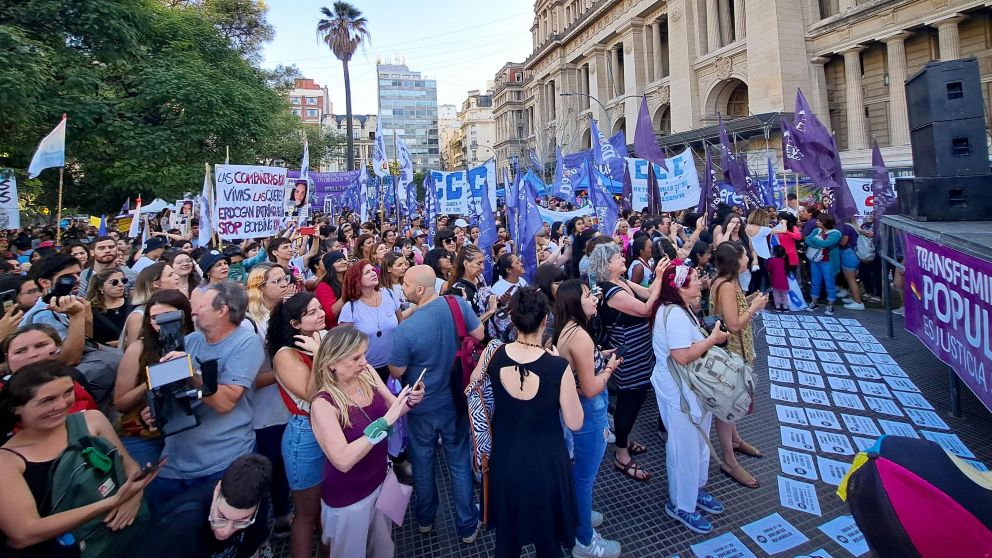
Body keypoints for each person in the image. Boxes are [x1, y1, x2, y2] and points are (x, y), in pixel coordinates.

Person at [0, 361, 154, 556]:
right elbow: (24, 533)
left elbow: (128, 465)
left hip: (132, 529)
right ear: (16, 408)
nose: (62, 404)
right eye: (48, 400)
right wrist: (113, 502)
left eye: (67, 393)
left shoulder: (92, 420)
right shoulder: (7, 461)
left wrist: (134, 497)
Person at [472, 287, 582, 558]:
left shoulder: (494, 355)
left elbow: (473, 387)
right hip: (546, 462)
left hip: (505, 458)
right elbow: (575, 422)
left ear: (512, 319)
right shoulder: (557, 367)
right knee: (549, 542)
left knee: (507, 541)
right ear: (545, 320)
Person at [143, 281, 265, 513]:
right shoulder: (191, 341)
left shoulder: (246, 343)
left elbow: (225, 402)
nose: (194, 312)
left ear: (223, 310)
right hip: (174, 464)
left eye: (201, 306)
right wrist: (157, 409)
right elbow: (174, 392)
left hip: (222, 461)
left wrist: (190, 371)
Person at [311, 326, 424, 558]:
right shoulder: (323, 404)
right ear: (332, 363)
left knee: (384, 549)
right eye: (356, 357)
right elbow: (342, 460)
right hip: (349, 498)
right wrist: (384, 422)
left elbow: (395, 408)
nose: (364, 361)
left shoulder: (368, 373)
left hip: (381, 481)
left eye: (364, 354)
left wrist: (411, 401)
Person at [389, 265, 483, 543]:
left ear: (420, 289)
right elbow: (478, 335)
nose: (402, 290)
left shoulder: (407, 328)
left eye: (405, 285)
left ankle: (425, 519)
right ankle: (467, 524)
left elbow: (395, 371)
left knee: (423, 461)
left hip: (422, 407)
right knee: (458, 461)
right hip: (455, 399)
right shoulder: (458, 305)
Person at [651, 261, 730, 534]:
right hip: (679, 391)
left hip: (693, 388)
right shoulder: (672, 315)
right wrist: (713, 340)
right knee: (684, 448)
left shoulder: (682, 309)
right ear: (680, 289)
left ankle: (695, 491)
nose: (700, 282)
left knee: (699, 442)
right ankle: (681, 504)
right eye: (695, 279)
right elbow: (682, 356)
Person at [552, 280, 622, 558]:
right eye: (586, 295)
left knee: (579, 474)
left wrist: (598, 358)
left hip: (579, 407)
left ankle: (578, 516)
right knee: (583, 478)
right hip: (589, 410)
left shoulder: (568, 329)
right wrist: (609, 368)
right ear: (573, 302)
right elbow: (592, 387)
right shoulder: (579, 336)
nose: (594, 299)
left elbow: (578, 370)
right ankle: (585, 542)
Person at [588, 243, 664, 481]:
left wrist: (659, 276)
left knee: (637, 395)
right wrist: (661, 276)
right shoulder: (611, 291)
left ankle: (625, 439)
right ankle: (621, 453)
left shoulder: (621, 282)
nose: (623, 258)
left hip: (640, 349)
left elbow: (649, 292)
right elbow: (645, 309)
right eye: (617, 257)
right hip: (629, 353)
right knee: (630, 398)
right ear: (606, 265)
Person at [267, 293, 326, 558]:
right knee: (306, 513)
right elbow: (312, 392)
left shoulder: (321, 337)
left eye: (320, 308)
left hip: (330, 427)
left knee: (326, 507)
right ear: (295, 324)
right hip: (305, 435)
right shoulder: (285, 355)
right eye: (312, 312)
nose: (321, 314)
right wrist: (321, 353)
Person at [710, 242, 768, 488]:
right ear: (736, 262)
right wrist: (753, 308)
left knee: (734, 404)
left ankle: (734, 439)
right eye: (744, 256)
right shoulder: (724, 285)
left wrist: (748, 299)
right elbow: (733, 324)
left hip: (738, 352)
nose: (748, 259)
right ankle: (729, 460)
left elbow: (731, 310)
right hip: (730, 355)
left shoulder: (729, 283)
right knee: (727, 408)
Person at [113, 290, 192, 468]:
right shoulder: (138, 349)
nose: (161, 322)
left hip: (189, 432)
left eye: (168, 315)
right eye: (155, 317)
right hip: (145, 436)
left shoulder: (196, 341)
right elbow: (120, 402)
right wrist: (156, 377)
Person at [243, 263, 293, 543]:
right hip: (264, 410)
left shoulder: (286, 312)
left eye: (285, 278)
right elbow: (249, 378)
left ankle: (284, 515)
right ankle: (257, 536)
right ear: (259, 287)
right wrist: (289, 369)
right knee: (264, 469)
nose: (285, 283)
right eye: (277, 280)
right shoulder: (249, 322)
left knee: (285, 466)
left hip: (289, 404)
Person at [139, 454, 272, 558]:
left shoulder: (251, 509)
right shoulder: (183, 525)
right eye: (221, 517)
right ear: (217, 489)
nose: (225, 531)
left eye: (240, 522)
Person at [2, 323, 98, 414]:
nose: (33, 355)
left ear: (58, 347)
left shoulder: (75, 376)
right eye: (20, 351)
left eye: (41, 345)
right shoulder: (3, 391)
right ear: (8, 357)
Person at [339, 259, 403, 382]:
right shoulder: (350, 308)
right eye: (367, 272)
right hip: (366, 370)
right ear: (357, 279)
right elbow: (345, 344)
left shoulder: (389, 294)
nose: (373, 273)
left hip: (394, 364)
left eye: (373, 270)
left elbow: (401, 321)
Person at [121, 262, 182, 350]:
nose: (177, 277)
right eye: (170, 275)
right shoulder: (138, 316)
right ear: (156, 284)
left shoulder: (177, 305)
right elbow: (135, 352)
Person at [444, 244, 498, 326]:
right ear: (466, 264)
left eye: (483, 263)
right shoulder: (458, 290)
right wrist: (490, 311)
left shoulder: (480, 279)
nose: (482, 267)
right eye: (478, 263)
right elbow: (467, 325)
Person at [805, 213, 843, 315]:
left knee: (829, 283)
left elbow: (825, 244)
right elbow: (807, 240)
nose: (816, 222)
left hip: (828, 262)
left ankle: (830, 304)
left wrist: (814, 240)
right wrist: (818, 243)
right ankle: (814, 302)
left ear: (825, 222)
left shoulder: (836, 233)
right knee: (815, 282)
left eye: (818, 220)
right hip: (815, 261)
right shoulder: (816, 230)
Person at [86, 268, 132, 346]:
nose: (121, 284)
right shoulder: (90, 310)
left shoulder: (133, 305)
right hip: (104, 354)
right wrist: (115, 344)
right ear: (101, 287)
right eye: (114, 282)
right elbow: (88, 342)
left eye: (123, 280)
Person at [314, 251, 348, 329]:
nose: (343, 262)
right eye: (338, 261)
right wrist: (346, 295)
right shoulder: (323, 286)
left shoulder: (351, 279)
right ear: (330, 265)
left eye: (344, 259)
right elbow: (330, 315)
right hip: (337, 330)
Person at [837, 218, 865, 311]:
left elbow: (844, 242)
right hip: (852, 255)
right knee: (850, 280)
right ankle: (854, 298)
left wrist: (835, 240)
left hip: (849, 255)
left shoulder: (846, 227)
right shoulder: (852, 227)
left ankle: (858, 302)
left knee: (851, 280)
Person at [767, 245, 790, 312]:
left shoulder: (771, 260)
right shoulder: (785, 260)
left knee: (776, 294)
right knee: (784, 294)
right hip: (784, 281)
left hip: (775, 281)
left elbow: (768, 269)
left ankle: (777, 306)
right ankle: (785, 307)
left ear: (775, 253)